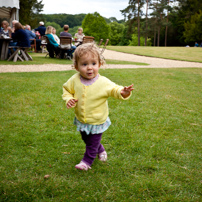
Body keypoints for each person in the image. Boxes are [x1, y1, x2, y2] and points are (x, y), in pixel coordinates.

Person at [62, 43, 134, 171]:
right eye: (84, 64)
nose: (89, 68)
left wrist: (123, 92)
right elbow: (67, 90)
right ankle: (101, 150)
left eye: (93, 64)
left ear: (99, 64)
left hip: (97, 120)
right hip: (82, 119)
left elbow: (114, 89)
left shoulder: (103, 82)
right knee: (86, 138)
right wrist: (69, 99)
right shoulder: (74, 80)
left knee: (91, 143)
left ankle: (86, 161)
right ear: (76, 67)